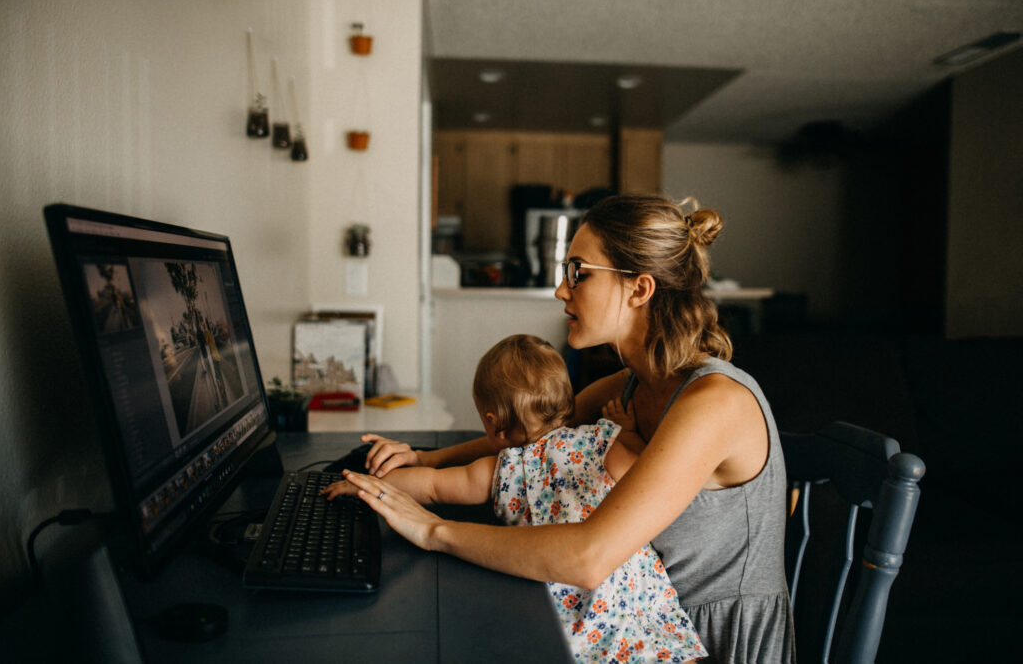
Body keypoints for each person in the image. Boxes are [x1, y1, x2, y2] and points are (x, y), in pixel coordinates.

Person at [340, 194, 796, 663]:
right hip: (630, 622)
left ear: (639, 289)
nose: (562, 289)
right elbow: (537, 440)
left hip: (701, 641)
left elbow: (588, 557)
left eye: (578, 271)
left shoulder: (713, 403)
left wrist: (434, 531)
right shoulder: (633, 382)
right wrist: (426, 459)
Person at [323, 334, 707, 663]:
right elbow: (641, 464)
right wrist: (628, 430)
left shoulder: (502, 470)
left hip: (573, 621)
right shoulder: (606, 442)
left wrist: (366, 485)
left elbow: (432, 486)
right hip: (638, 609)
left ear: (493, 423)